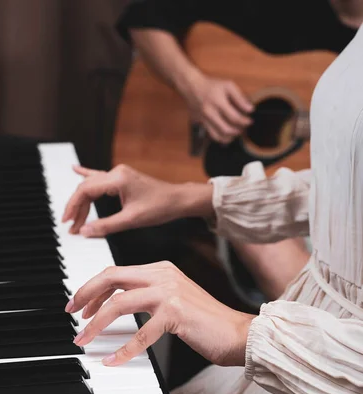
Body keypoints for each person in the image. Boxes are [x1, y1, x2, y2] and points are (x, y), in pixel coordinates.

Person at [62, 18, 363, 394]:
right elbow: (340, 185)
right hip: (307, 328)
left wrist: (239, 331)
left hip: (323, 362)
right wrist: (191, 197)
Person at [111, 0, 360, 305]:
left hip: (339, 212)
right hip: (241, 184)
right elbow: (145, 16)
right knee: (260, 229)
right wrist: (196, 88)